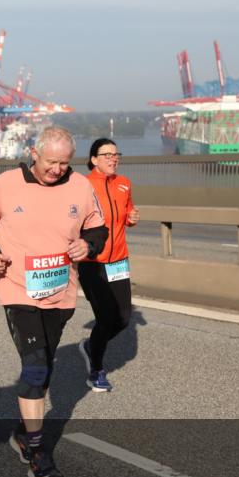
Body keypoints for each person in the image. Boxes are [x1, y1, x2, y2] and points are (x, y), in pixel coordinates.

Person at [0, 126, 107, 477]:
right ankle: (37, 450)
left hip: (61, 293)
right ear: (34, 152)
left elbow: (97, 229)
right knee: (34, 367)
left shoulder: (80, 187)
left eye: (64, 163)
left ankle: (21, 430)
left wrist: (88, 246)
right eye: (51, 161)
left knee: (42, 367)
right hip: (17, 289)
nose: (58, 169)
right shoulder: (7, 183)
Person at [78, 138, 139, 392]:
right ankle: (96, 369)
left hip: (118, 261)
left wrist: (131, 218)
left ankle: (92, 345)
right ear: (93, 159)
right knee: (105, 318)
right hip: (93, 262)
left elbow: (126, 214)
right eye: (107, 155)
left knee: (123, 319)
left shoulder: (124, 183)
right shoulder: (81, 186)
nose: (113, 158)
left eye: (116, 154)